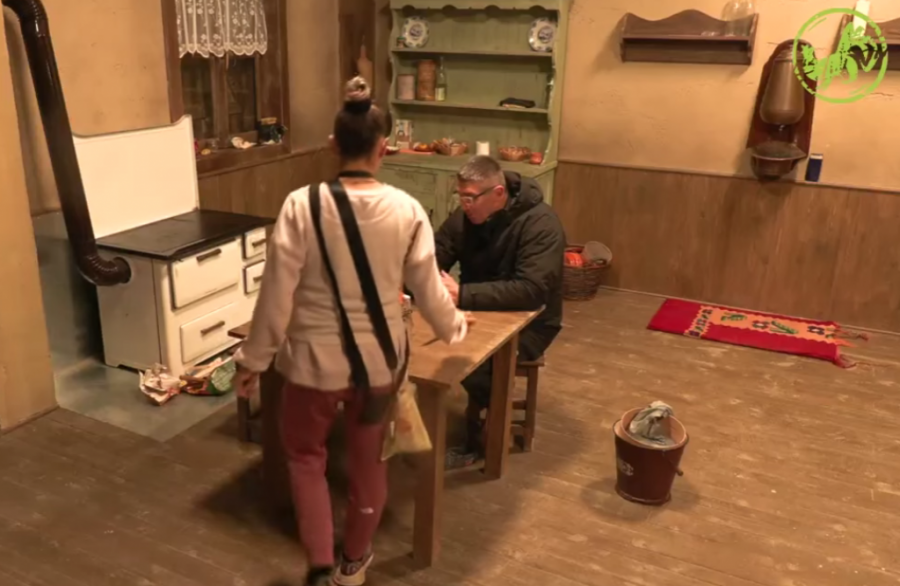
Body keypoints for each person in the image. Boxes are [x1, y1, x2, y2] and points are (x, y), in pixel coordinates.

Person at [232, 77, 469, 586]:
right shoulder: (407, 209)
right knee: (370, 466)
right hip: (378, 366)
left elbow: (275, 295)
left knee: (305, 459)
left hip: (309, 365)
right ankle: (354, 563)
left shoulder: (299, 205)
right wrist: (454, 328)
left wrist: (252, 361)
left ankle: (319, 564)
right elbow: (429, 291)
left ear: (333, 145)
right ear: (384, 148)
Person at [434, 155, 566, 467]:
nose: (464, 205)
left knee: (475, 362)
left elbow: (531, 290)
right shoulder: (464, 218)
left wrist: (462, 293)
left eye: (471, 198)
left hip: (532, 322)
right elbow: (434, 253)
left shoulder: (541, 223)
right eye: (460, 196)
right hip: (478, 309)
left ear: (498, 193)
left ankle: (485, 439)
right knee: (426, 345)